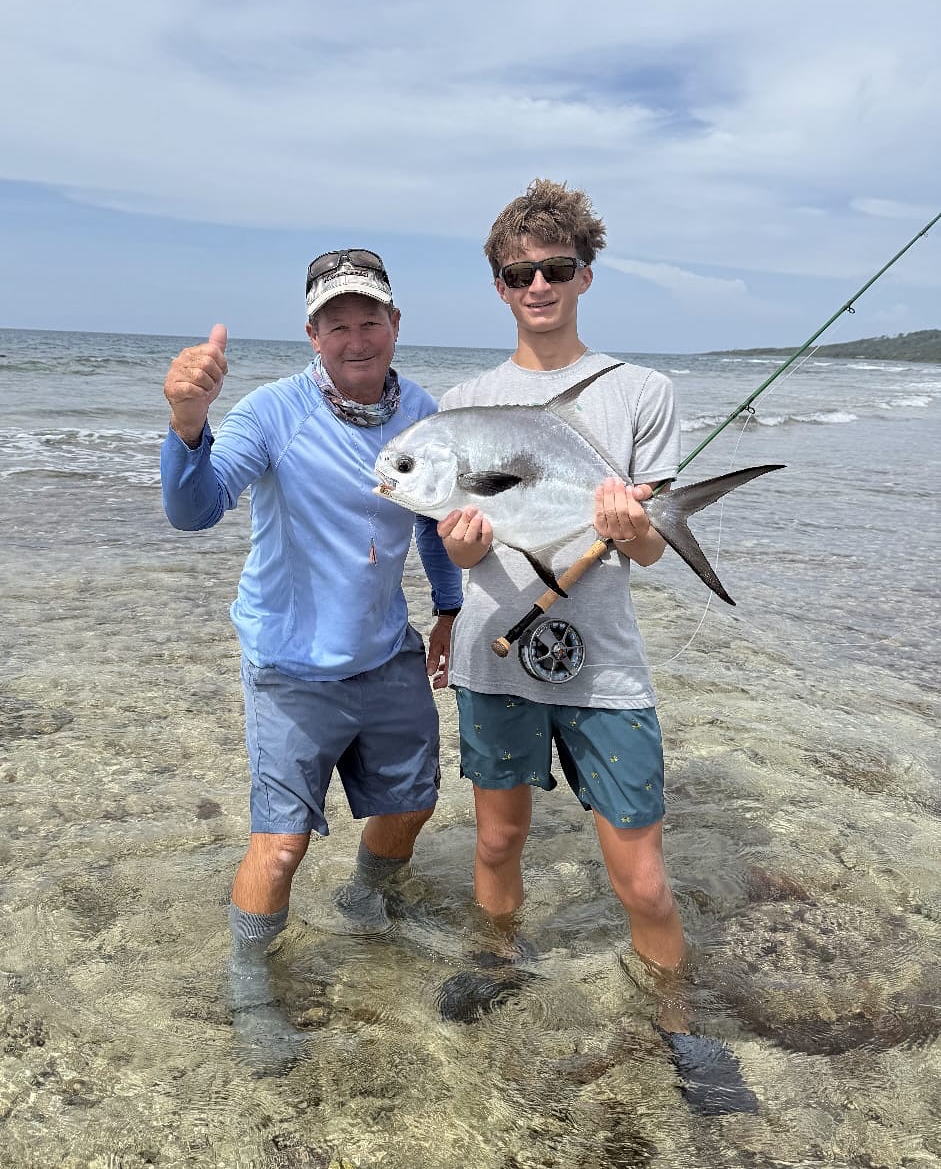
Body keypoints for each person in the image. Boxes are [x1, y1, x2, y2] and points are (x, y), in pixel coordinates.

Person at [434, 180, 757, 1116]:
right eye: (518, 273)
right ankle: (498, 964)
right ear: (498, 286)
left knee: (644, 877)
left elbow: (649, 547)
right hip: (496, 653)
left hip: (604, 663)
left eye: (555, 269)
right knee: (496, 839)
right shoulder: (466, 400)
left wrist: (635, 525)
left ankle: (680, 1023)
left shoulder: (640, 392)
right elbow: (461, 531)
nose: (537, 285)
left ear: (584, 274)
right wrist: (455, 558)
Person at [160, 248, 464, 1071]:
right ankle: (248, 980)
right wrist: (188, 425)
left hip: (385, 652)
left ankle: (368, 902)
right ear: (312, 333)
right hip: (289, 667)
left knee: (411, 803)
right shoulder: (271, 412)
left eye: (371, 319)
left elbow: (433, 525)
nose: (356, 337)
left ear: (395, 325)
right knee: (282, 844)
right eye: (338, 324)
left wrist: (447, 610)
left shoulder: (426, 415)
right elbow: (196, 510)